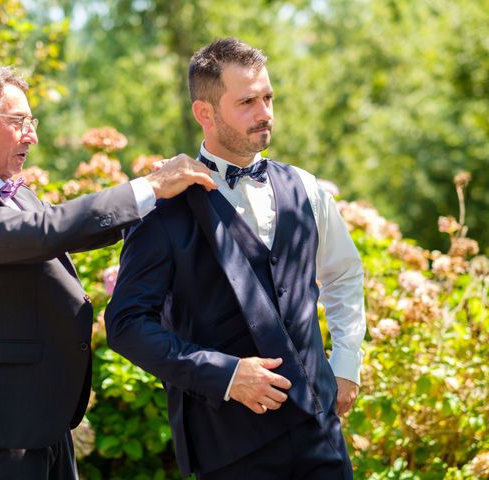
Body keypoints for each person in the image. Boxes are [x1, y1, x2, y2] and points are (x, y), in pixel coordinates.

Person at [0, 64, 216, 480]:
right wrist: (148, 186)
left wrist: (161, 200)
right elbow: (48, 230)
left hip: (46, 420)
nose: (32, 136)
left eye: (32, 122)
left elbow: (70, 234)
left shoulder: (17, 193)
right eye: (19, 121)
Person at [105, 38, 366, 479]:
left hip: (320, 436)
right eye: (247, 102)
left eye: (267, 98)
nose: (264, 113)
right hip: (228, 446)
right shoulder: (164, 206)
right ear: (204, 113)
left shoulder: (305, 186)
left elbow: (343, 274)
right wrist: (223, 375)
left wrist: (346, 364)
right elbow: (127, 324)